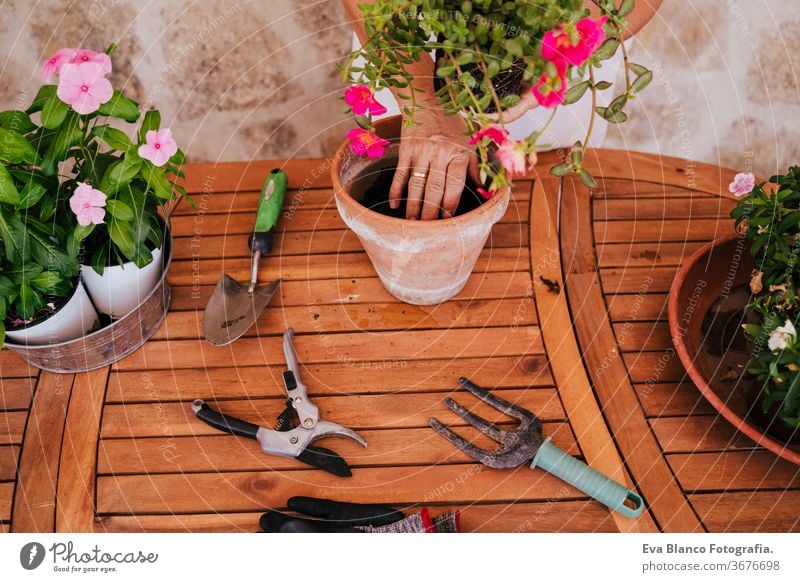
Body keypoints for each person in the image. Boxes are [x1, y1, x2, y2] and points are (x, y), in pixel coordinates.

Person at [342, 0, 663, 220]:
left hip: (561, 37)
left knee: (557, 199)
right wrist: (423, 103)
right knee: (394, 166)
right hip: (405, 46)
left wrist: (558, 54)